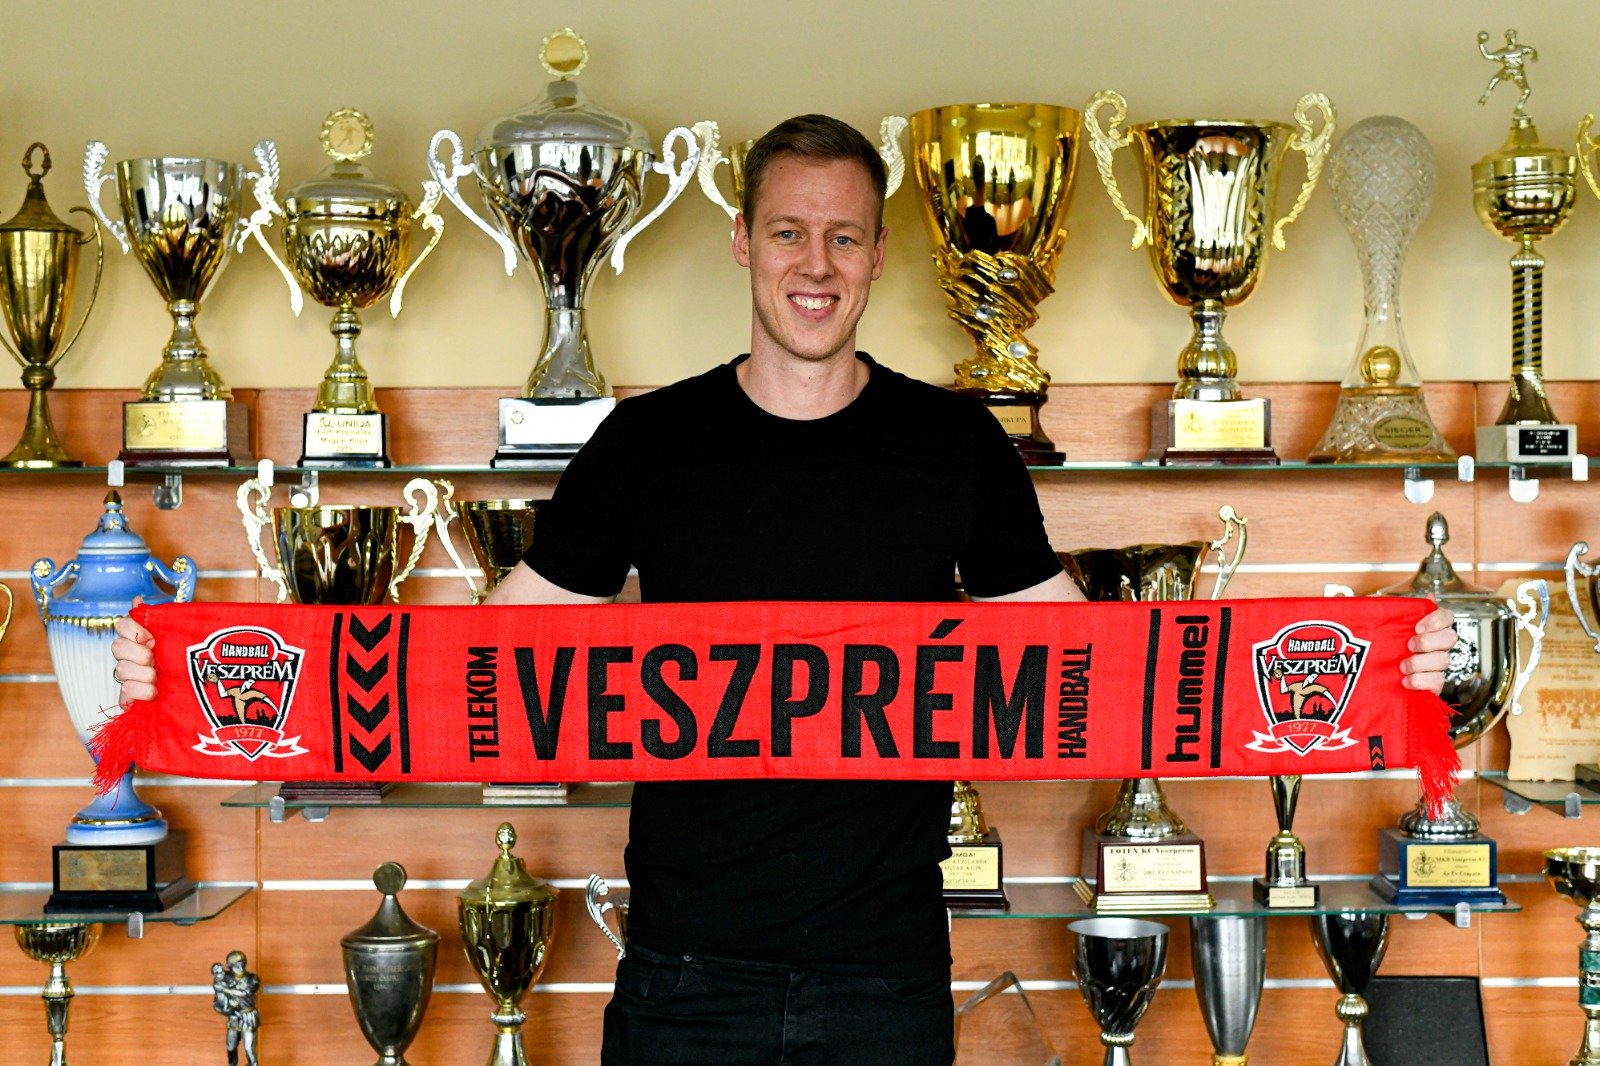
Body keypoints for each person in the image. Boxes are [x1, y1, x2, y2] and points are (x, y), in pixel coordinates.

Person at [114, 114, 1456, 1065]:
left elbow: (1093, 667)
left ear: (876, 258)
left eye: (846, 239)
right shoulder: (647, 442)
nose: (817, 265)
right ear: (745, 245)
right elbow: (480, 658)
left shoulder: (953, 445)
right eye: (791, 234)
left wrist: (1376, 669)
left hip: (887, 983)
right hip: (685, 981)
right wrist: (190, 680)